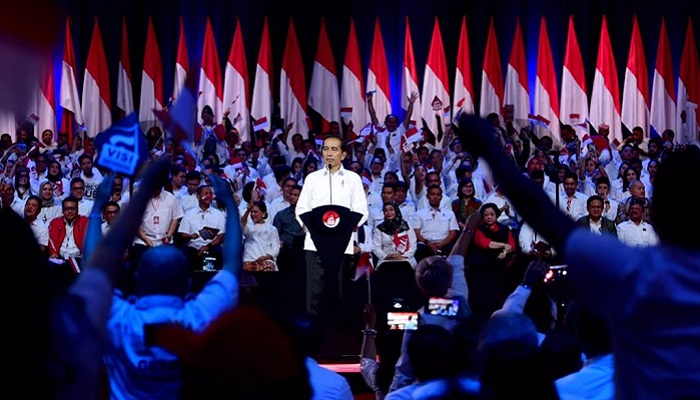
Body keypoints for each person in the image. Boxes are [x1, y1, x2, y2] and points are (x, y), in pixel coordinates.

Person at [457, 113, 700, 398]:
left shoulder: (636, 273)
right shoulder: (636, 269)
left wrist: (490, 149)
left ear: (654, 212)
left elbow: (541, 212)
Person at [101, 174, 242, 399]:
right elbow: (233, 264)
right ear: (188, 283)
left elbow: (93, 270)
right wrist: (230, 205)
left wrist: (96, 207)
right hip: (144, 242)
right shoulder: (200, 315)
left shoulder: (121, 318)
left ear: (137, 279)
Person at [295, 135, 368, 316]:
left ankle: (339, 336)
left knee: (340, 292)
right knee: (314, 294)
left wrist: (341, 231)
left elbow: (361, 211)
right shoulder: (312, 178)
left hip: (342, 244)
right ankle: (312, 332)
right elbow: (301, 209)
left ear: (343, 155)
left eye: (334, 149)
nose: (329, 153)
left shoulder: (353, 179)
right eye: (326, 149)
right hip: (315, 244)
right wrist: (316, 232)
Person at [178, 184, 226, 272]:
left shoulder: (219, 214)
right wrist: (190, 236)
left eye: (210, 194)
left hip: (212, 246)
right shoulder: (189, 214)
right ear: (198, 197)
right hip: (193, 247)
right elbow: (183, 234)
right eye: (206, 193)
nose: (208, 196)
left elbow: (221, 237)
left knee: (219, 252)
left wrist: (206, 247)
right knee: (185, 254)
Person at [241, 200, 280, 272]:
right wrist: (247, 211)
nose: (253, 214)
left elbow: (276, 247)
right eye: (251, 212)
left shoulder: (271, 229)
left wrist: (266, 257)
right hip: (249, 260)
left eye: (255, 212)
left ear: (263, 213)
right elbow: (242, 224)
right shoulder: (249, 228)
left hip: (266, 260)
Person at [47, 196, 88, 264]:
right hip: (59, 258)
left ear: (77, 210)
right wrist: (54, 253)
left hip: (78, 259)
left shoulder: (85, 221)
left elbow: (87, 240)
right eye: (67, 209)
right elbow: (52, 241)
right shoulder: (55, 222)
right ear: (63, 210)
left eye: (73, 208)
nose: (70, 211)